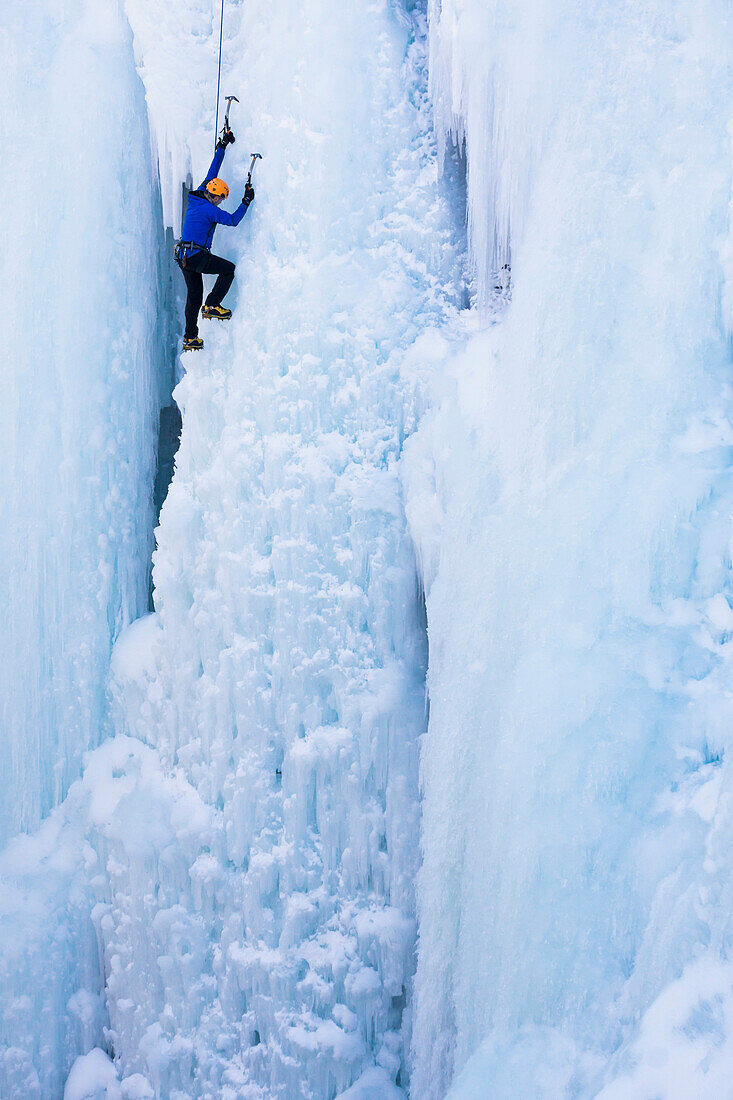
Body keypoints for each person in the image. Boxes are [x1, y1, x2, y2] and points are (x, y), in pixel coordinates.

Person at [175, 128, 254, 351]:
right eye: (221, 198)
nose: (220, 202)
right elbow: (233, 220)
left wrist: (222, 145)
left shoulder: (201, 192)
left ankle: (190, 337)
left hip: (184, 256)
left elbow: (213, 168)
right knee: (228, 269)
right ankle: (213, 305)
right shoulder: (210, 210)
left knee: (194, 296)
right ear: (215, 196)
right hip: (195, 256)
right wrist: (246, 201)